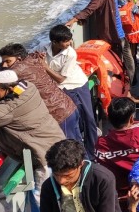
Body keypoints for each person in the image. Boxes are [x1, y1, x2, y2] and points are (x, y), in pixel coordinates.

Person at [40, 139, 138, 212]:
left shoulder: (103, 178)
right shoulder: (48, 187)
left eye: (68, 175)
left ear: (80, 164)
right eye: (57, 175)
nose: (61, 181)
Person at [0, 70, 65, 176]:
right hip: (56, 142)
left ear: (9, 89)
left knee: (42, 191)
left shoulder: (11, 107)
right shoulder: (28, 87)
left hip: (43, 154)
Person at [66, 0, 134, 88]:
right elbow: (90, 8)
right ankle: (124, 89)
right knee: (118, 64)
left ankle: (130, 85)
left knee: (128, 62)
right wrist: (75, 19)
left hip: (120, 33)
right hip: (112, 36)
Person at [40, 24, 97, 156]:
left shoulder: (70, 54)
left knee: (88, 118)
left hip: (76, 85)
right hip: (59, 89)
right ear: (54, 42)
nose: (69, 43)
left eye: (69, 40)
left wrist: (44, 66)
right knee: (71, 120)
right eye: (65, 41)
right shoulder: (43, 47)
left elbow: (61, 78)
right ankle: (79, 151)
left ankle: (92, 151)